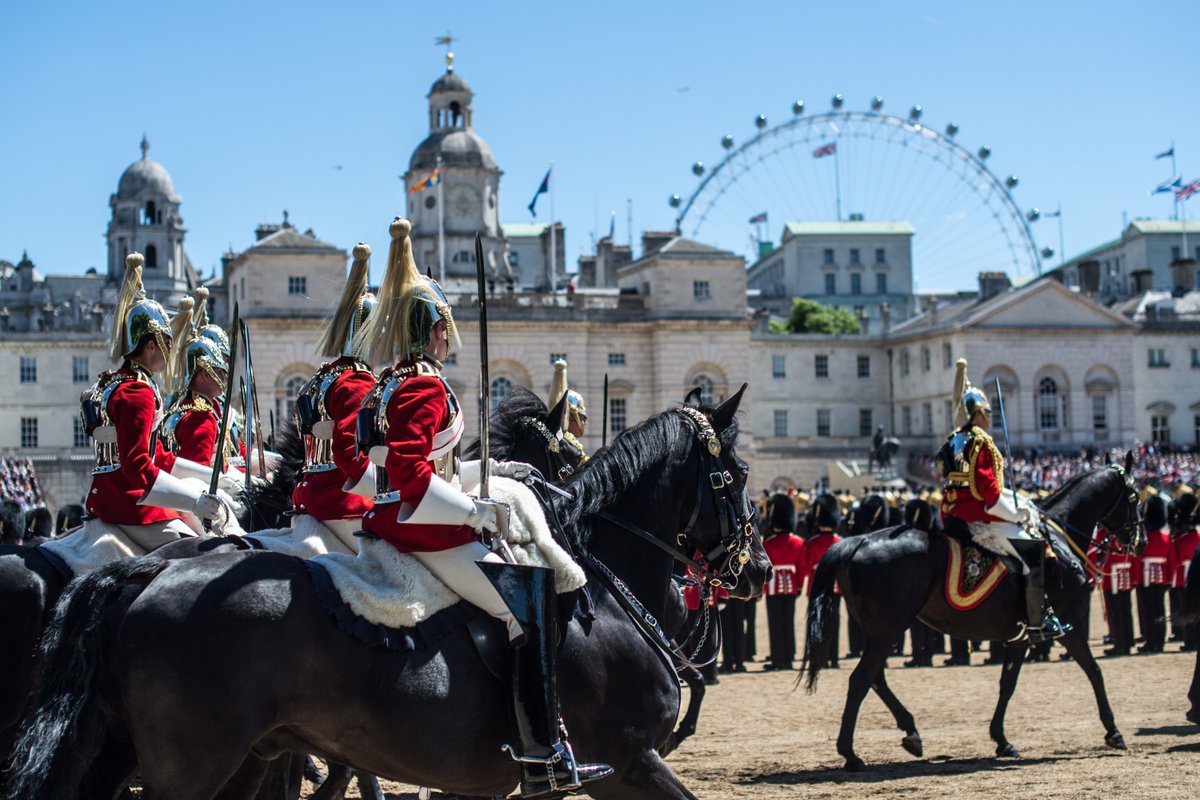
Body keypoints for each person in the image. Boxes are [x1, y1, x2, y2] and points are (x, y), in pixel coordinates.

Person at [351, 218, 610, 798]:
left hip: (393, 521)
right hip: (424, 533)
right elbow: (416, 480)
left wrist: (488, 477)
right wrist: (473, 514)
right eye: (445, 326)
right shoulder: (423, 387)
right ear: (434, 329)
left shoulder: (387, 385)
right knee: (532, 603)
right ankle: (542, 753)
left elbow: (390, 472)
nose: (450, 336)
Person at [81, 253, 229, 549]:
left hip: (108, 494)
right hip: (128, 501)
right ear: (150, 345)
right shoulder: (138, 392)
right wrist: (195, 501)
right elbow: (137, 465)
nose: (171, 352)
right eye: (167, 344)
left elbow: (158, 456)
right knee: (196, 555)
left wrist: (216, 479)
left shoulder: (118, 382)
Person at [936, 359, 1065, 643]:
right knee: (1034, 551)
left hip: (953, 511)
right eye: (988, 411)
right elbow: (990, 496)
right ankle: (1036, 621)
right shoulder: (981, 442)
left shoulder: (955, 439)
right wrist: (1017, 516)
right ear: (979, 413)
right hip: (979, 516)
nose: (991, 416)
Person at [291, 243, 378, 551]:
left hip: (310, 495)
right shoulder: (358, 381)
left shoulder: (323, 378)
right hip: (344, 505)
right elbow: (349, 454)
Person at [762, 494, 805, 671]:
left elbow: (764, 569)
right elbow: (802, 567)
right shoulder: (798, 542)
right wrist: (800, 585)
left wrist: (762, 588)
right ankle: (789, 657)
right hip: (791, 585)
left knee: (775, 623)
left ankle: (778, 658)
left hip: (773, 587)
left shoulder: (769, 544)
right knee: (789, 621)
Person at [802, 493, 843, 667]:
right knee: (834, 621)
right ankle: (833, 658)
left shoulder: (812, 543)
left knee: (818, 620)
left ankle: (819, 656)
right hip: (835, 587)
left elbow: (805, 568)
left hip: (817, 586)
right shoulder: (841, 542)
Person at [1134, 493, 1174, 654]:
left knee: (1148, 612)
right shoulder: (1166, 539)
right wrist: (1170, 580)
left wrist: (1136, 579)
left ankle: (1151, 642)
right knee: (1160, 610)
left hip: (1145, 578)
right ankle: (1160, 642)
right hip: (1162, 578)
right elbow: (1172, 562)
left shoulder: (1145, 540)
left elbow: (1137, 561)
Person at [549, 359, 588, 459]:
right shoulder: (568, 443)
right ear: (571, 418)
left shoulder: (568, 440)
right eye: (582, 418)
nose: (585, 423)